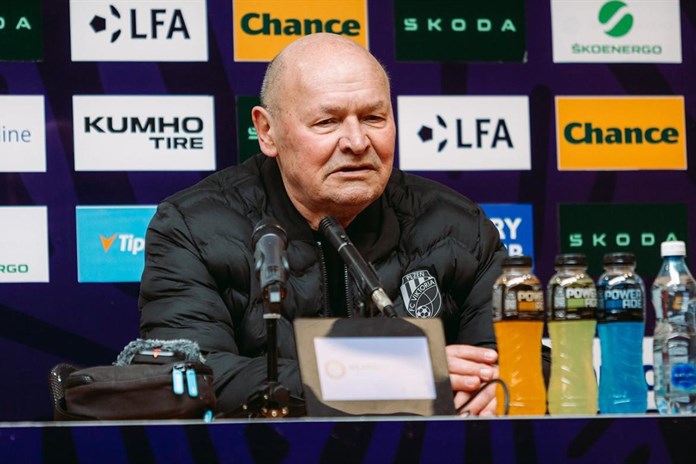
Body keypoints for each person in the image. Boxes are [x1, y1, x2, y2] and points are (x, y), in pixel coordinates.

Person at [138, 33, 506, 416]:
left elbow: (522, 358)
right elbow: (187, 377)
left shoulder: (458, 227)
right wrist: (387, 375)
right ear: (267, 131)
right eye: (327, 122)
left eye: (374, 118)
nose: (357, 142)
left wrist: (501, 383)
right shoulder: (192, 228)